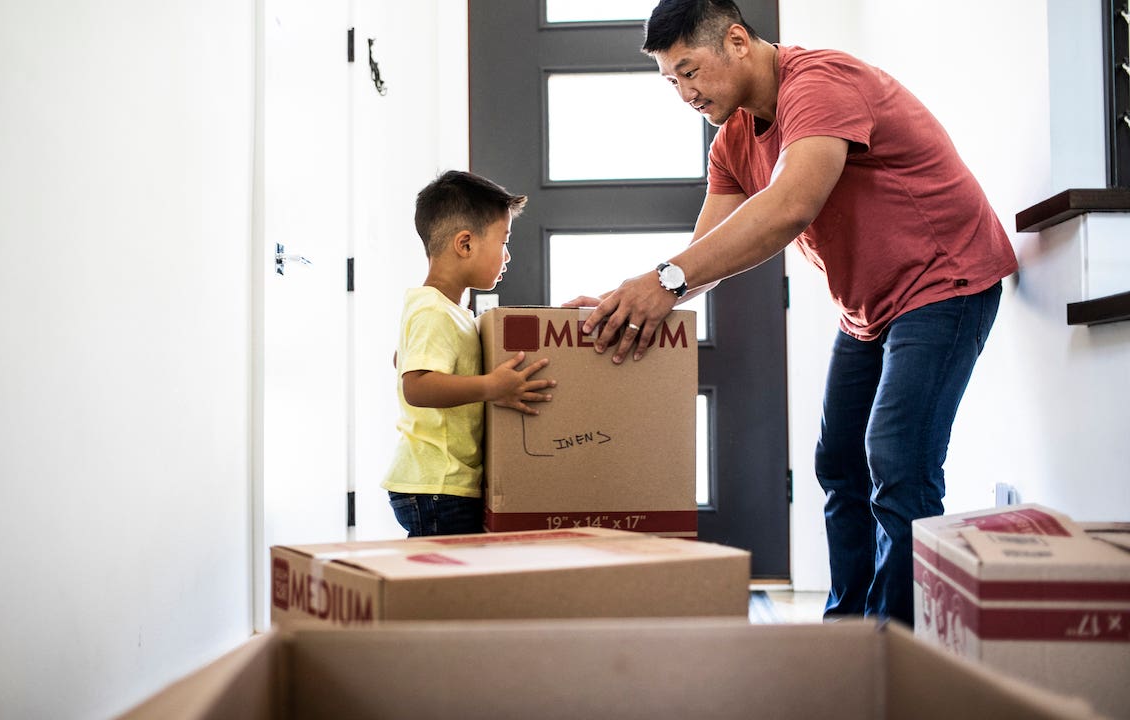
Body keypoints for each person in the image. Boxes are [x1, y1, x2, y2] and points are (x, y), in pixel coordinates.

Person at [567, 0, 1017, 625]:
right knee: (838, 463)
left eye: (691, 71)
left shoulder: (819, 83)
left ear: (737, 41)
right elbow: (704, 255)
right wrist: (633, 300)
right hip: (870, 306)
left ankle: (895, 643)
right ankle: (847, 630)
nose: (685, 93)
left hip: (946, 281)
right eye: (672, 81)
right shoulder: (731, 143)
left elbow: (790, 207)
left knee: (896, 458)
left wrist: (663, 285)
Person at [382, 170, 557, 537]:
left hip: (443, 482)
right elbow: (416, 387)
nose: (507, 255)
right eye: (503, 241)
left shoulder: (450, 312)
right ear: (465, 244)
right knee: (445, 585)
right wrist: (492, 386)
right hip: (436, 485)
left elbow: (404, 361)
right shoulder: (433, 309)